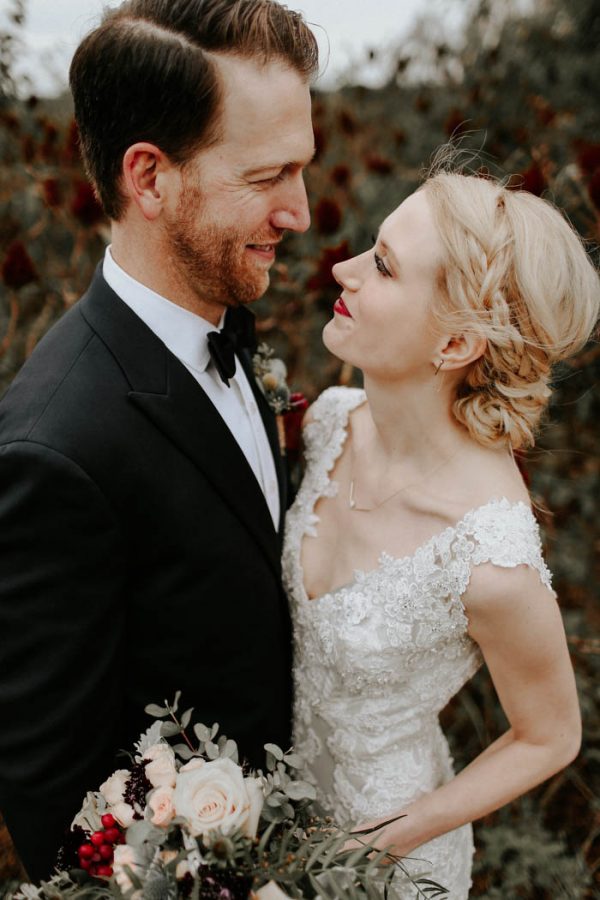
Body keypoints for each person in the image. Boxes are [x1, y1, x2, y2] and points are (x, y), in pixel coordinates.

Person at [0, 0, 317, 881]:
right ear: (150, 178)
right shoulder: (54, 450)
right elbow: (60, 825)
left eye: (305, 169)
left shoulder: (232, 333)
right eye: (267, 176)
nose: (298, 211)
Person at [283, 164, 600, 897]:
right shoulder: (332, 422)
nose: (343, 267)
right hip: (270, 809)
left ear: (456, 346)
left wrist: (404, 832)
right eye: (372, 246)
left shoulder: (489, 557)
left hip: (385, 863)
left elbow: (552, 734)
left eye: (384, 266)